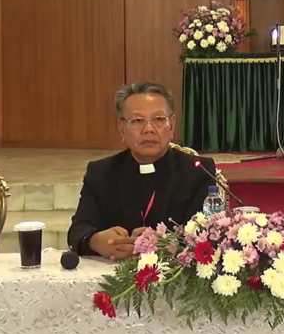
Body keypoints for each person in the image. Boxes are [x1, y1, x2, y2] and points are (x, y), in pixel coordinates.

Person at [68, 82, 217, 261]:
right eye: (137, 121)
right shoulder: (101, 173)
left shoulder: (198, 172)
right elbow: (78, 230)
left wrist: (165, 243)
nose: (149, 129)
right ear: (122, 128)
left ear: (172, 125)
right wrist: (95, 240)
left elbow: (206, 233)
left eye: (159, 119)